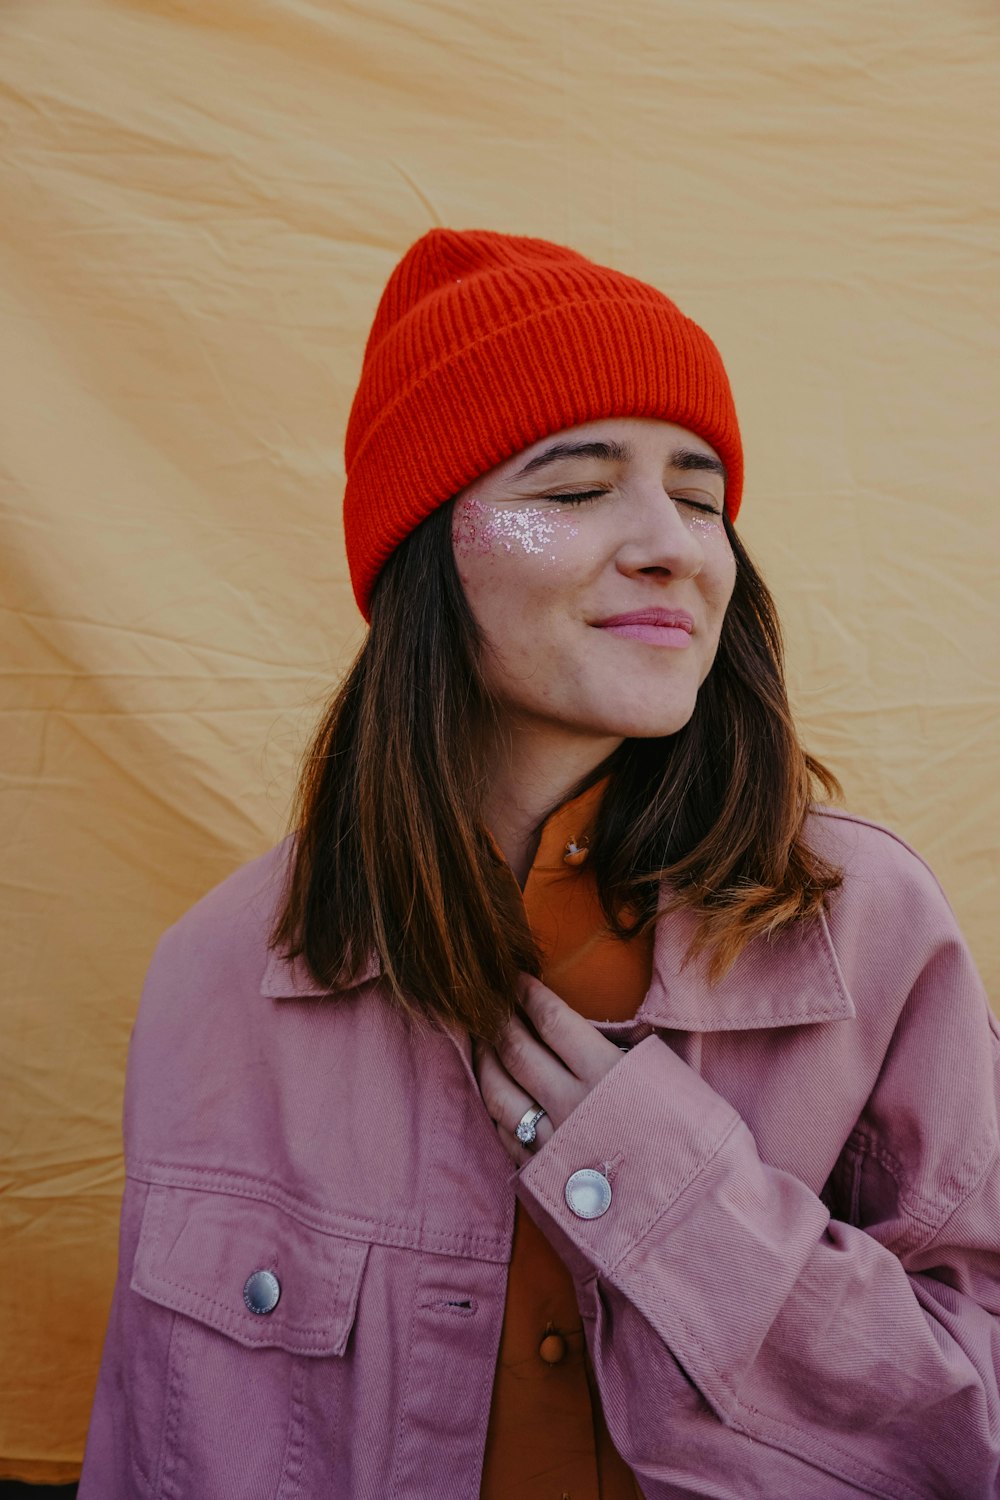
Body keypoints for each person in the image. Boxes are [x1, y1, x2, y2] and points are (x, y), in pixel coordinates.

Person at [78, 228, 1000, 1500]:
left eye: (698, 494)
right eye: (572, 491)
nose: (671, 543)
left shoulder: (869, 933)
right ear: (424, 553)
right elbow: (152, 1449)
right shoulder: (219, 973)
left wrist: (674, 1199)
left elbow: (976, 1427)